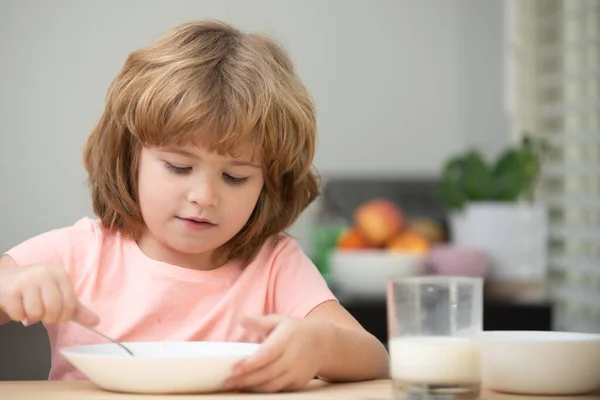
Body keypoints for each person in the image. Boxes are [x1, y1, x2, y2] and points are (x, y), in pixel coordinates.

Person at [0, 19, 389, 392]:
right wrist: (8, 285)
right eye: (179, 167)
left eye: (235, 177)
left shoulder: (273, 265)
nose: (204, 196)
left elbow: (375, 358)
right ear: (129, 157)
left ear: (268, 183)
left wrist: (321, 345)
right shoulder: (79, 252)